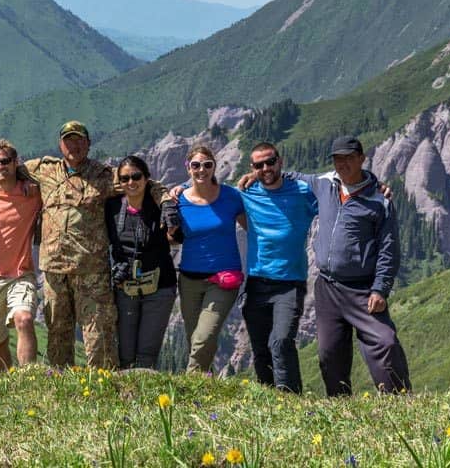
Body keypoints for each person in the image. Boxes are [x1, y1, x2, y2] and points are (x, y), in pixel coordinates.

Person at [0, 121, 169, 369]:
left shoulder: (103, 175)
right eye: (69, 140)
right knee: (58, 338)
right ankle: (61, 394)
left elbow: (142, 181)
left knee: (99, 336)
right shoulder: (42, 170)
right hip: (54, 272)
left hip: (92, 272)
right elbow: (1, 167)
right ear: (60, 144)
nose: (75, 145)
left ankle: (102, 392)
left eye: (80, 140)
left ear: (89, 143)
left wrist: (167, 202)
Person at [287, 136, 411, 396]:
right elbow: (291, 176)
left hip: (363, 290)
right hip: (327, 287)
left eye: (348, 158)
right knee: (329, 353)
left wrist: (380, 289)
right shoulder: (324, 183)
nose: (342, 163)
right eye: (337, 158)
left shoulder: (379, 199)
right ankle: (339, 404)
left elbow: (389, 249)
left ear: (361, 159)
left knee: (385, 342)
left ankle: (399, 401)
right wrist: (256, 175)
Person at [237, 142, 317, 394]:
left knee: (281, 341)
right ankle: (269, 398)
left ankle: (289, 397)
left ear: (280, 161)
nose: (265, 168)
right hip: (256, 283)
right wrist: (175, 190)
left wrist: (376, 186)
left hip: (289, 284)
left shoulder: (303, 191)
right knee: (260, 348)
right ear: (252, 168)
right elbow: (206, 190)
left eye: (270, 162)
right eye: (258, 165)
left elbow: (335, 195)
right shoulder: (246, 192)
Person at [175, 145, 247, 374]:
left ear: (214, 166)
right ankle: (205, 384)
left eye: (207, 165)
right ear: (188, 168)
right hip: (189, 280)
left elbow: (252, 229)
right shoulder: (179, 199)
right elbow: (171, 238)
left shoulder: (231, 197)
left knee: (204, 337)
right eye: (195, 165)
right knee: (195, 338)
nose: (202, 170)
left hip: (223, 279)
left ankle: (188, 388)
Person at [0, 139, 42, 371]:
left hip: (20, 275)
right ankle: (6, 388)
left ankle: (28, 380)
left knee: (24, 319)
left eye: (5, 161)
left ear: (15, 162)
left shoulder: (33, 194)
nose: (1, 167)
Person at [105, 155, 179, 369]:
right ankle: (125, 401)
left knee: (147, 354)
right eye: (125, 178)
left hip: (159, 287)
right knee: (124, 353)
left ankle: (144, 400)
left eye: (136, 176)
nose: (131, 182)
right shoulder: (110, 207)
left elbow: (177, 237)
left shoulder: (160, 206)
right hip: (125, 286)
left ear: (147, 178)